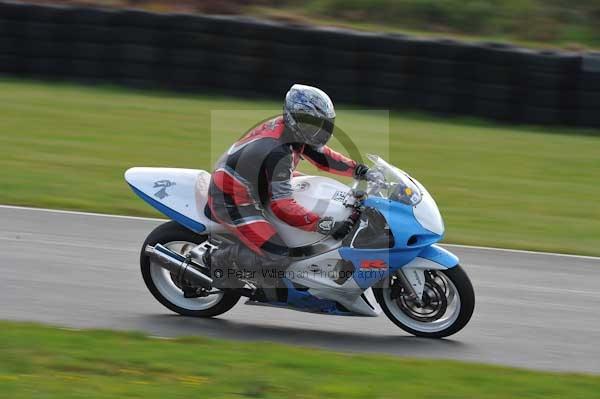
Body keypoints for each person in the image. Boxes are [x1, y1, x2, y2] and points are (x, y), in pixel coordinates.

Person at [205, 84, 372, 298]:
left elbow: (323, 156)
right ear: (296, 119)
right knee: (279, 255)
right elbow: (282, 205)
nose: (320, 130)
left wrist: (358, 170)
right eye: (314, 124)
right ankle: (218, 260)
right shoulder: (279, 151)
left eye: (323, 124)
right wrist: (322, 224)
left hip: (258, 185)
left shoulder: (294, 132)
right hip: (233, 198)